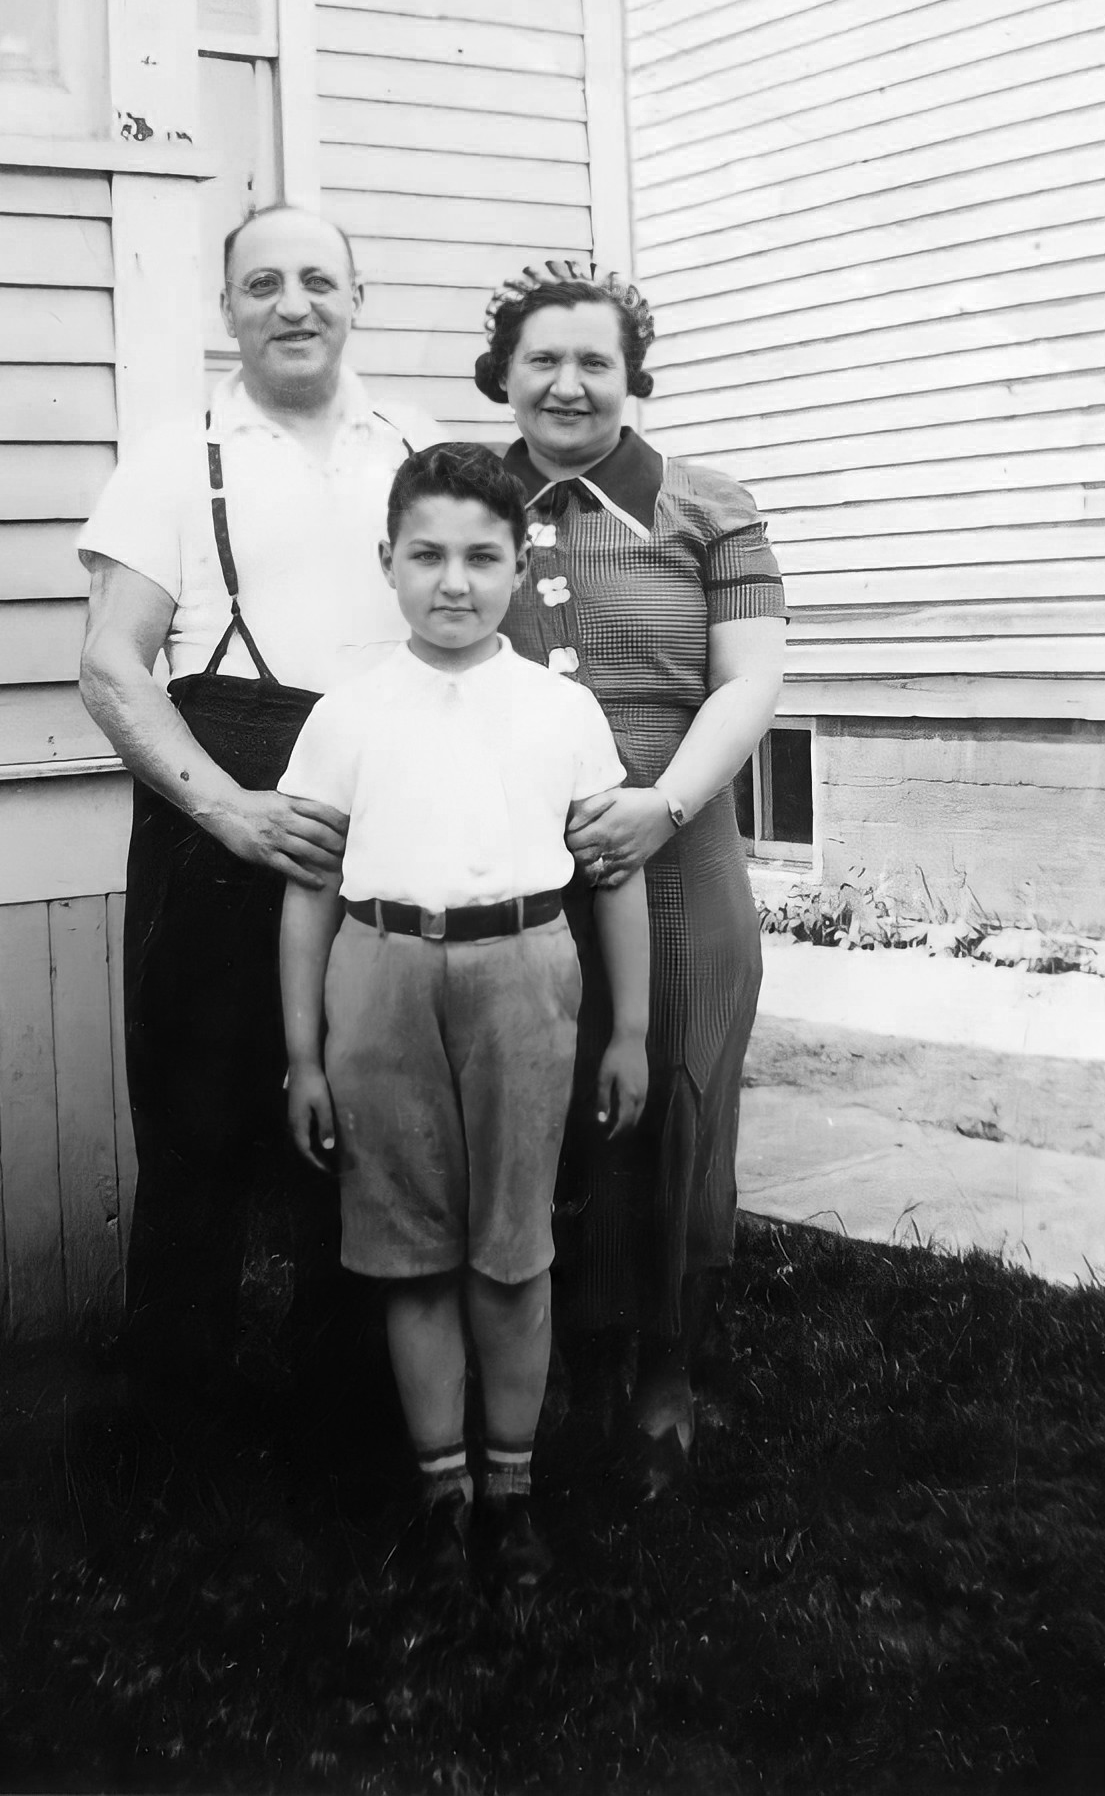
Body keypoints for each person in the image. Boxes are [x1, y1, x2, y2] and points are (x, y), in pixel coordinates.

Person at [77, 204, 440, 1397]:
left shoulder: (416, 446)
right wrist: (228, 809)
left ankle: (346, 1419)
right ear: (225, 307)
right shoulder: (176, 456)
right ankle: (173, 1436)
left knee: (372, 1124)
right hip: (224, 811)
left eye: (319, 281)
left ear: (357, 298)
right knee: (199, 1130)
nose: (294, 303)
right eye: (264, 283)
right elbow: (112, 664)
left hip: (386, 820)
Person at [277, 443, 651, 1590]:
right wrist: (303, 1054)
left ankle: (514, 1490)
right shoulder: (346, 711)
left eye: (483, 556)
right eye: (427, 555)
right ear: (386, 562)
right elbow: (308, 889)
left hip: (524, 974)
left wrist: (630, 1029)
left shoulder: (562, 706)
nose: (454, 581)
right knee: (410, 1254)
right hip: (380, 974)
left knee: (512, 1247)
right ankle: (443, 1495)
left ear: (517, 561)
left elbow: (615, 875)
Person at [473, 261, 787, 1484]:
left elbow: (750, 679)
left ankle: (665, 1363)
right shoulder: (465, 494)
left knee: (677, 1102)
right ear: (503, 372)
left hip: (675, 841)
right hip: (511, 856)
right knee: (540, 1111)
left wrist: (663, 804)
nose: (566, 382)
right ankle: (551, 1367)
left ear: (633, 375)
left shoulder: (707, 505)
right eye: (541, 358)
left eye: (594, 359)